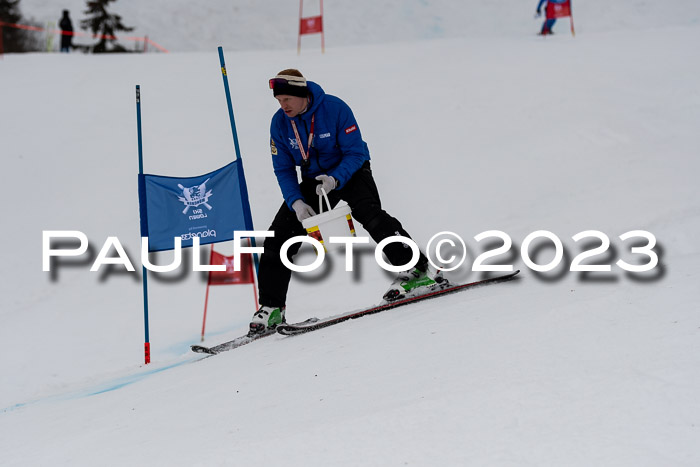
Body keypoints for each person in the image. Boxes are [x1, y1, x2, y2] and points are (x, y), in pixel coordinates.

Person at [249, 69, 445, 334]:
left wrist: (335, 180)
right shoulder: (280, 123)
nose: (283, 106)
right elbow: (283, 168)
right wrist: (295, 201)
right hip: (314, 180)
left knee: (370, 215)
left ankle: (419, 270)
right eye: (279, 100)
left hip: (350, 170)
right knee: (278, 237)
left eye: (287, 99)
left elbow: (354, 152)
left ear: (302, 94)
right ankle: (272, 308)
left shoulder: (335, 108)